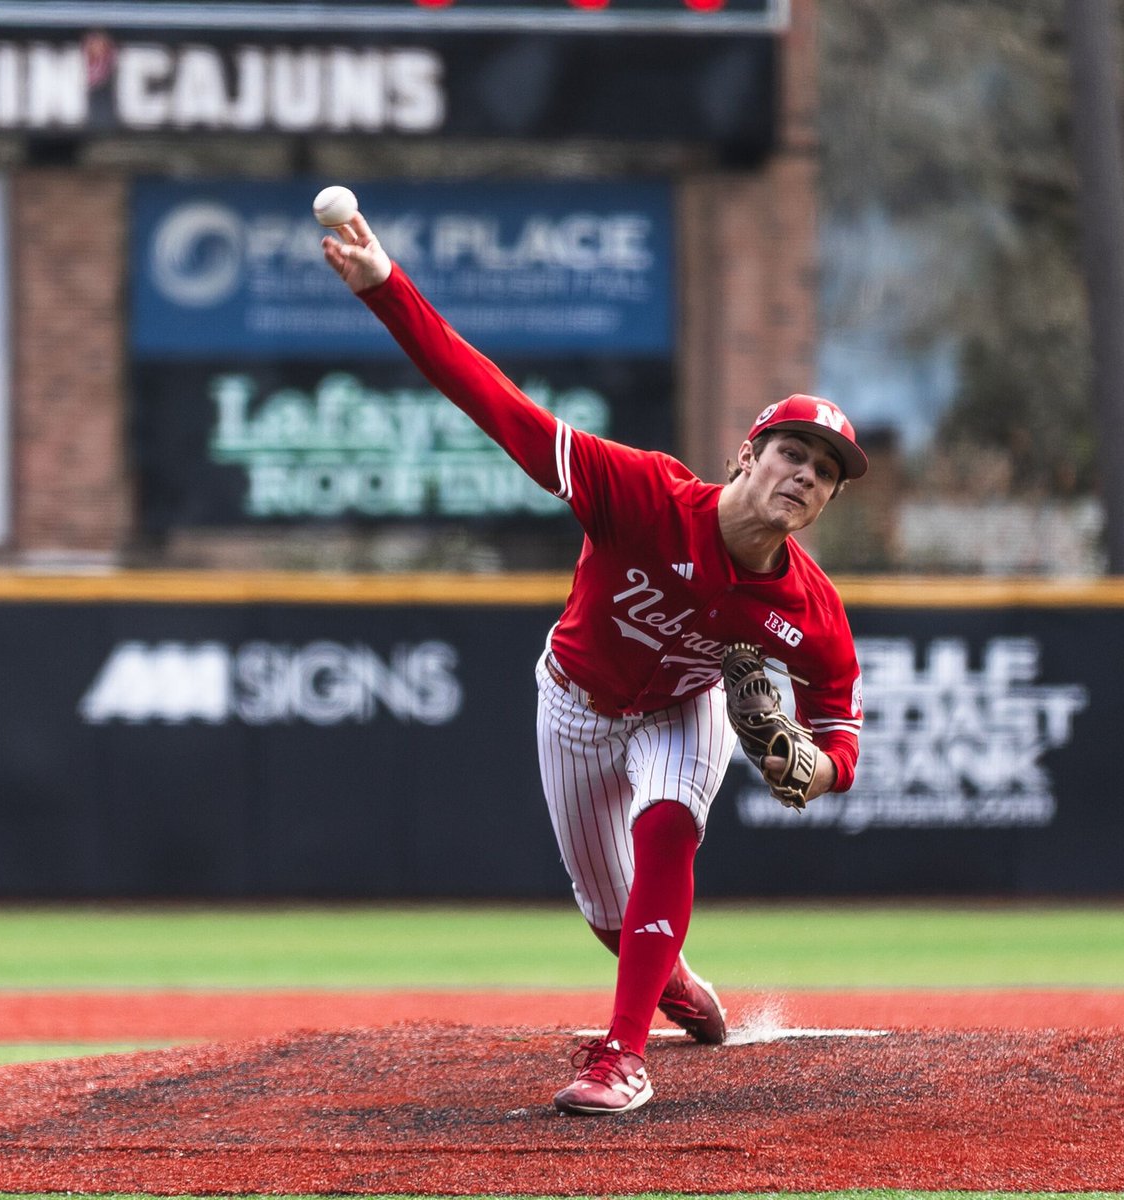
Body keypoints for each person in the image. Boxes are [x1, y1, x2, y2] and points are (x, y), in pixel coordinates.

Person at [321, 209, 866, 1117]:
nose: (805, 475)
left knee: (667, 828)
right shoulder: (641, 492)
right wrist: (384, 285)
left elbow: (841, 730)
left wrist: (818, 768)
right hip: (572, 700)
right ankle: (673, 983)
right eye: (792, 452)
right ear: (747, 455)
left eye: (825, 472)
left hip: (684, 709)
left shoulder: (811, 614)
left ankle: (622, 1056)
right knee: (610, 917)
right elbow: (492, 399)